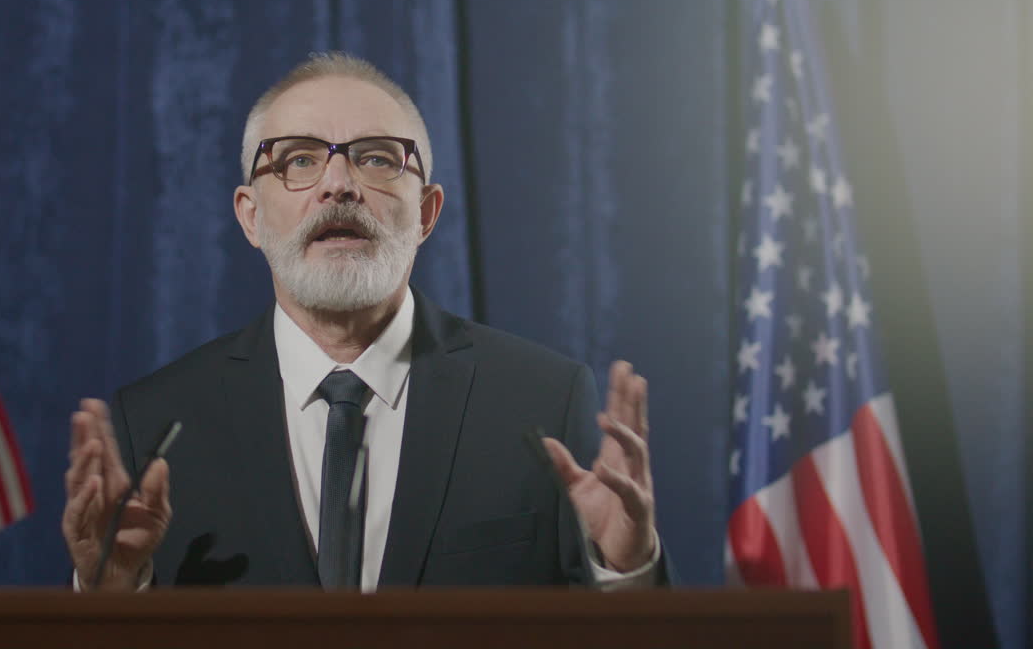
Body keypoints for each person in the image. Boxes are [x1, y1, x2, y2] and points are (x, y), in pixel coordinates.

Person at [61, 52, 668, 591]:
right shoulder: (159, 423)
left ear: (427, 212)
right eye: (297, 160)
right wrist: (113, 593)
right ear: (249, 217)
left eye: (376, 159)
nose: (339, 185)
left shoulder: (543, 401)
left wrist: (623, 569)